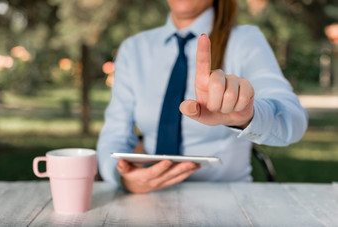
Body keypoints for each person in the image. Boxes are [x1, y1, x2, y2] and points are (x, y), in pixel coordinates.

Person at [97, 0, 308, 193]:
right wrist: (121, 177)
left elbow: (293, 121)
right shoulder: (134, 48)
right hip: (148, 200)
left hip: (227, 201)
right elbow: (115, 134)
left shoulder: (245, 41)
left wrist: (248, 117)